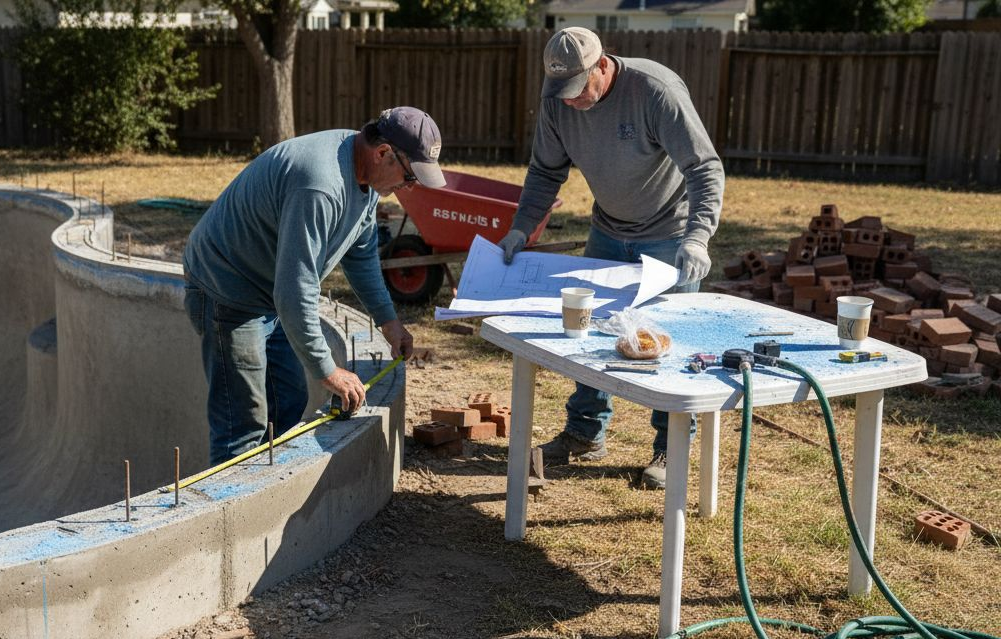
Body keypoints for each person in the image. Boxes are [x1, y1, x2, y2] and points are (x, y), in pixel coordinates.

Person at [498, 27, 724, 490]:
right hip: (608, 230)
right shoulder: (558, 101)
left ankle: (669, 448)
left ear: (603, 66)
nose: (571, 102)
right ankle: (584, 433)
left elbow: (703, 167)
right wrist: (522, 228)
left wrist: (698, 238)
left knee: (665, 344)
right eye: (562, 93)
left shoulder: (655, 91)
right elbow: (545, 171)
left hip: (669, 233)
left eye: (579, 90)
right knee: (589, 331)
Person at [183, 107, 444, 465]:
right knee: (243, 423)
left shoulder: (366, 179)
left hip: (267, 292)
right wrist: (328, 370)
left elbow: (362, 253)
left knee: (287, 398)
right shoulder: (320, 185)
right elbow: (295, 291)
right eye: (409, 177)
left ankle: (264, 485)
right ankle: (227, 512)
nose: (408, 188)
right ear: (383, 153)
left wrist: (388, 320)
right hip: (226, 289)